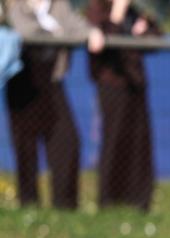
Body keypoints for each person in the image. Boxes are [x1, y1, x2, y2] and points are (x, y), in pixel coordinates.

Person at [5, 0, 105, 209]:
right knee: (25, 148)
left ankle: (65, 205)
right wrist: (58, 33)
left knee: (67, 142)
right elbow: (23, 31)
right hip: (22, 83)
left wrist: (91, 32)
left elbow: (77, 27)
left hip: (51, 82)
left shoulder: (59, 5)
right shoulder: (14, 6)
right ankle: (29, 204)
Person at [86, 0, 160, 212]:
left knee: (139, 142)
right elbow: (101, 42)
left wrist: (142, 31)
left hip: (136, 84)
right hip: (112, 83)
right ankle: (107, 200)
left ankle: (139, 201)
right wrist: (117, 15)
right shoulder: (98, 9)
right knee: (113, 140)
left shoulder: (135, 12)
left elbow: (156, 37)